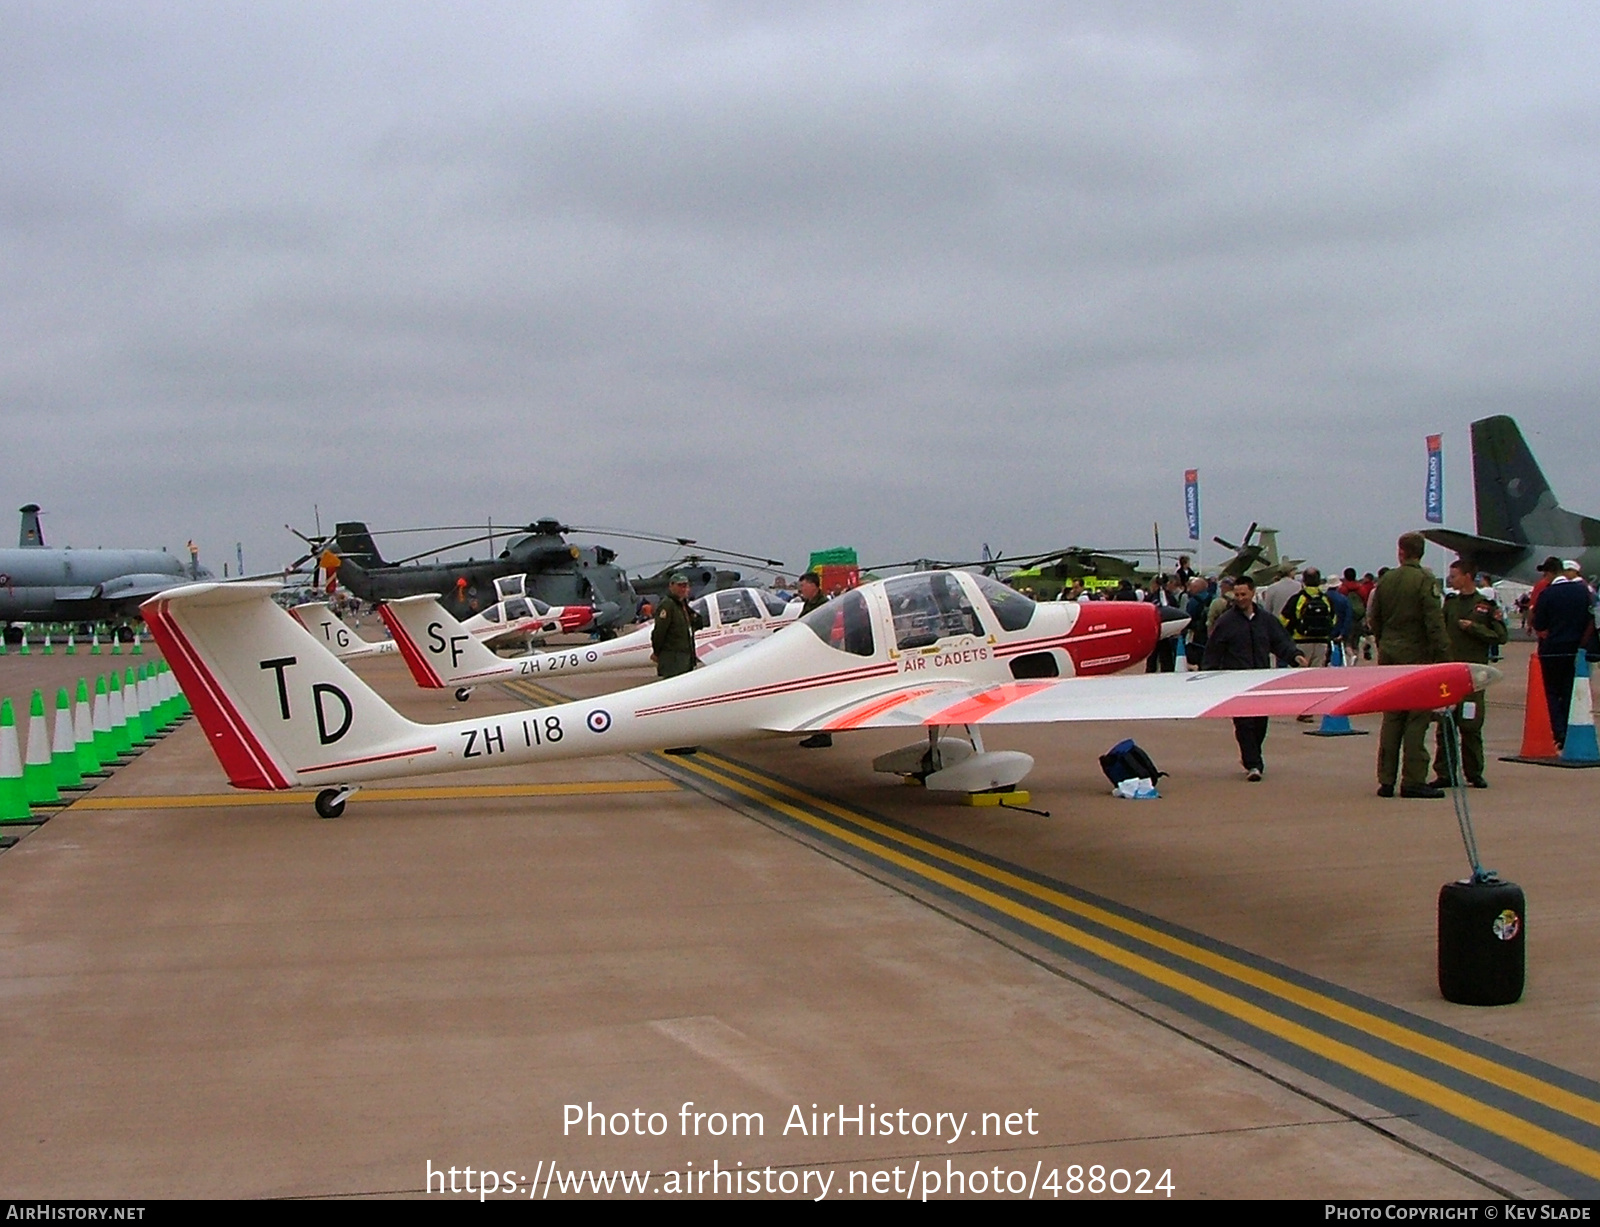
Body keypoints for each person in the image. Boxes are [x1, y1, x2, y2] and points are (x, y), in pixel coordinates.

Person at [1368, 532, 1450, 798]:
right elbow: (1433, 622)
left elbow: (1375, 617)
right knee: (1417, 719)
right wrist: (1444, 659)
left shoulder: (1387, 579)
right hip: (1416, 657)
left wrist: (1384, 643)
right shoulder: (1424, 580)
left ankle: (1386, 779)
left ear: (1400, 552)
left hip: (1390, 655)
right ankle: (1413, 778)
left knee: (1392, 717)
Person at [1202, 576, 1308, 781]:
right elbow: (1213, 650)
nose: (1240, 598)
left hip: (1260, 680)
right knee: (1244, 725)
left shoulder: (1266, 620)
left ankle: (1252, 756)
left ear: (1253, 593)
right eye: (1237, 595)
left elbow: (1280, 642)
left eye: (1244, 594)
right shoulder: (1226, 622)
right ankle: (1253, 764)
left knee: (1260, 724)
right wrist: (1209, 674)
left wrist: (1294, 656)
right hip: (1237, 681)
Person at [1429, 557, 1508, 788]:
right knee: (1445, 725)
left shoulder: (1484, 605)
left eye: (1454, 576)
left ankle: (1474, 772)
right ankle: (1445, 773)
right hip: (1449, 673)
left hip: (1474, 676)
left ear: (1467, 577)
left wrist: (1475, 628)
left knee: (1471, 725)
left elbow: (1500, 636)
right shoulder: (1450, 604)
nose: (1451, 580)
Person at [1530, 559, 1598, 750]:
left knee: (1551, 691)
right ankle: (1570, 729)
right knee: (1570, 689)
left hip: (1552, 649)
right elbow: (1591, 618)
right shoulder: (1583, 592)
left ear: (1551, 573)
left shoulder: (1548, 593)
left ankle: (1558, 730)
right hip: (1575, 648)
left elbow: (1539, 623)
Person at [794, 572, 834, 747]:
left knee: (820, 694)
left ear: (813, 586)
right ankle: (818, 733)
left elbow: (821, 629)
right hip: (810, 654)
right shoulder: (809, 604)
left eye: (803, 585)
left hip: (819, 654)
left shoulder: (824, 606)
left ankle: (824, 735)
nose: (800, 589)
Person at [1281, 568, 1338, 668]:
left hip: (1301, 641)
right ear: (1319, 581)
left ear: (1304, 581)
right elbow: (1333, 620)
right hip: (1322, 642)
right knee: (1317, 675)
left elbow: (1283, 620)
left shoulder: (1298, 598)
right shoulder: (1325, 599)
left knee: (1299, 675)